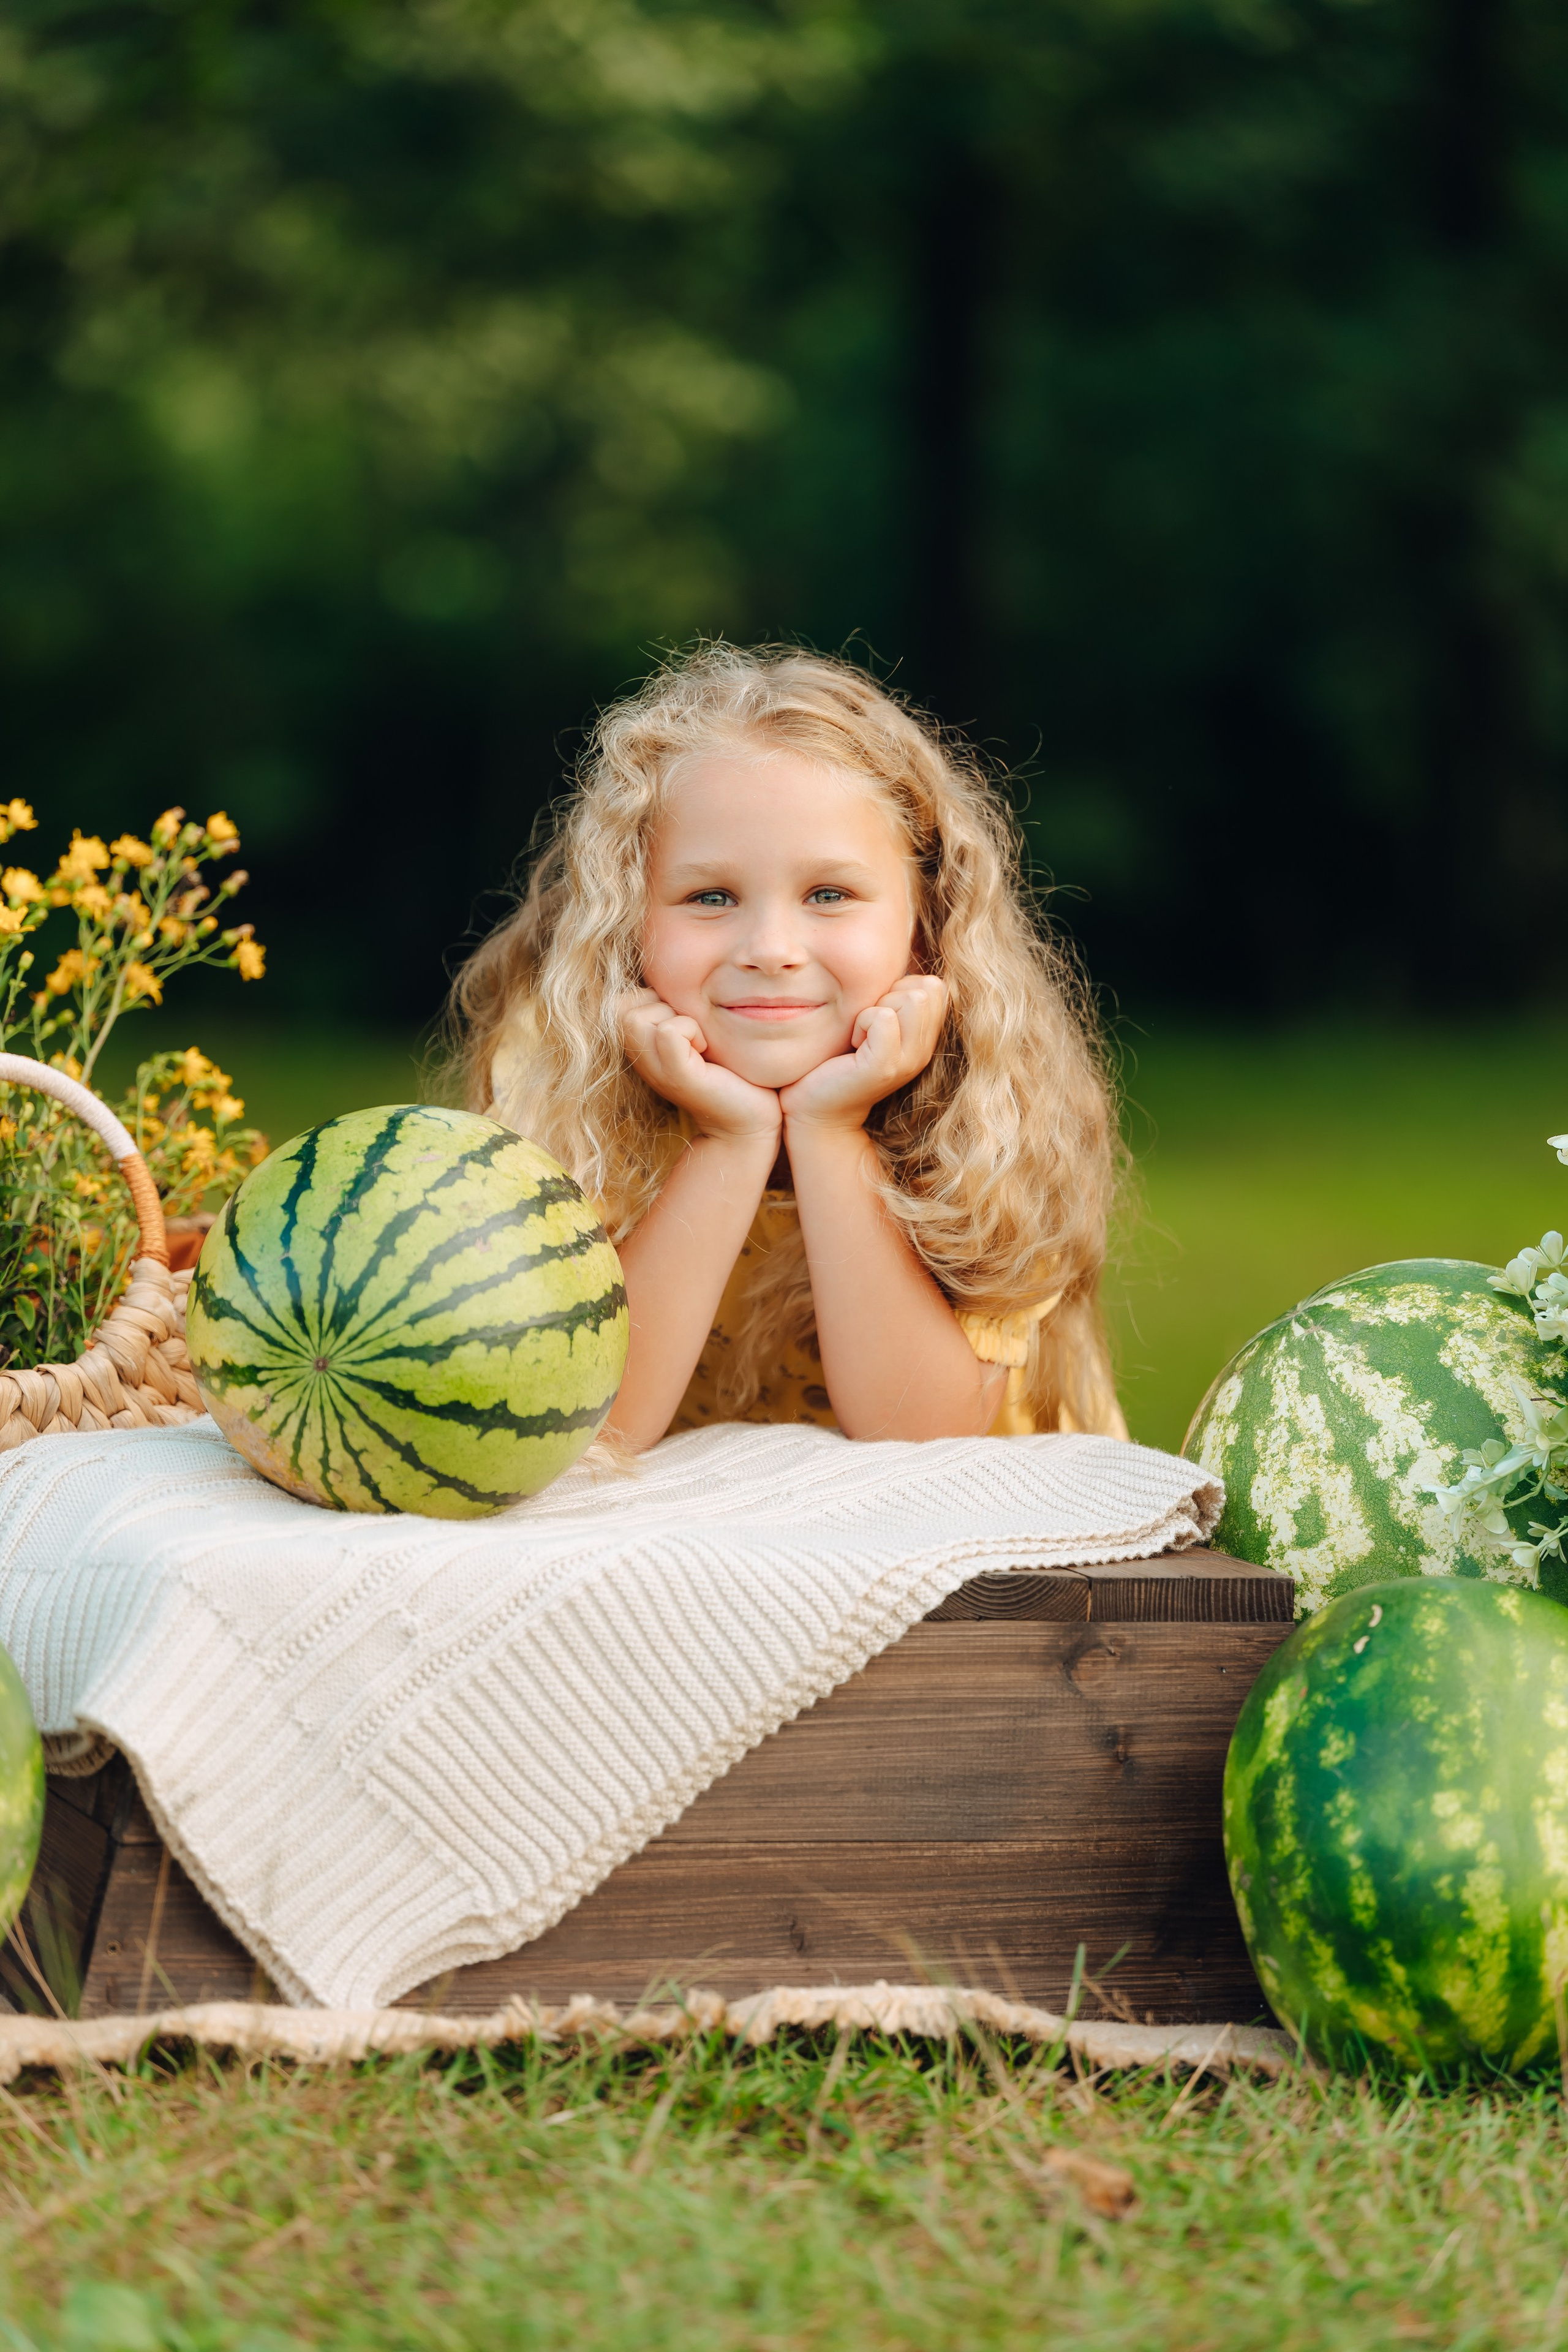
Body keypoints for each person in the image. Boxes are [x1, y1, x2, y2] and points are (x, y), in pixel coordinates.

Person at [451, 645, 1128, 1450]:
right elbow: (578, 1428)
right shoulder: (565, 1076)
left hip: (1000, 1546)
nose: (771, 947)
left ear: (927, 923)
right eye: (710, 896)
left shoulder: (988, 1096)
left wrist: (830, 1132)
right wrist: (729, 1140)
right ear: (627, 924)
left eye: (829, 895)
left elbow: (922, 1442)